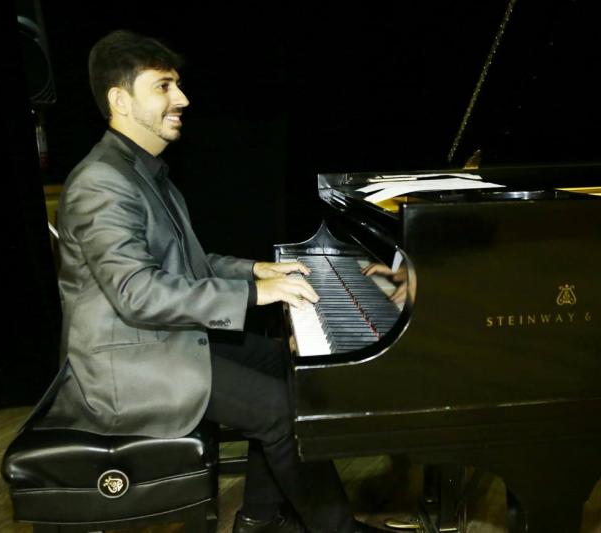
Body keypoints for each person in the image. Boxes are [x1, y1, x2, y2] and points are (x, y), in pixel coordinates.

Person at [28, 29, 386, 533]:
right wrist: (254, 293)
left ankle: (261, 518)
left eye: (177, 85)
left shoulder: (143, 172)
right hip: (124, 367)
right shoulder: (102, 183)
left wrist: (257, 270)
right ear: (120, 100)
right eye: (164, 87)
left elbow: (189, 266)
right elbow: (138, 293)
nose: (182, 99)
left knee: (288, 366)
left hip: (157, 341)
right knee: (282, 411)